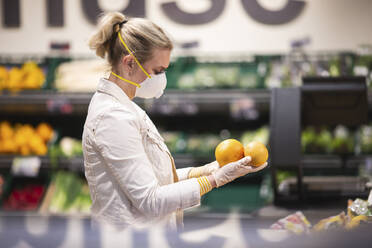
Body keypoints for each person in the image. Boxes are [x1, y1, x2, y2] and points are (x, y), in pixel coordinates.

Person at [82, 12, 267, 231]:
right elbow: (150, 200)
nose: (162, 79)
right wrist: (214, 180)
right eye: (157, 71)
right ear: (130, 63)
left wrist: (207, 170)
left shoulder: (125, 107)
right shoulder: (112, 118)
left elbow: (156, 179)